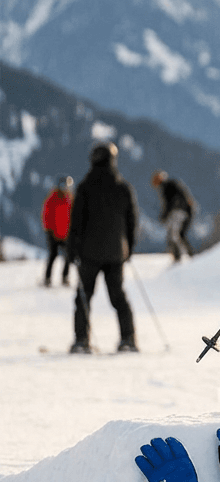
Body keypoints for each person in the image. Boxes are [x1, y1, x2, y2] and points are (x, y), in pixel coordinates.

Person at [67, 142, 139, 353]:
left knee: (84, 296)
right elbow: (132, 222)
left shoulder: (85, 187)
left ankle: (81, 341)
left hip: (89, 254)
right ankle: (128, 339)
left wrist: (72, 251)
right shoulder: (123, 187)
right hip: (117, 253)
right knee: (118, 297)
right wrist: (128, 250)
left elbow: (76, 223)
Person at [151, 170, 196, 261]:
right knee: (178, 235)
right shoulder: (172, 184)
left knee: (173, 235)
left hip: (179, 211)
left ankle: (179, 257)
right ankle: (189, 256)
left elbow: (169, 204)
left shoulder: (166, 187)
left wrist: (164, 216)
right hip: (185, 211)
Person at [41, 176, 74, 287]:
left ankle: (65, 277)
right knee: (53, 255)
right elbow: (46, 215)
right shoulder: (53, 198)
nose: (66, 188)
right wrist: (49, 230)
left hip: (66, 234)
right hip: (53, 234)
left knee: (69, 256)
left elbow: (74, 215)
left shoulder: (70, 198)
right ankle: (47, 278)